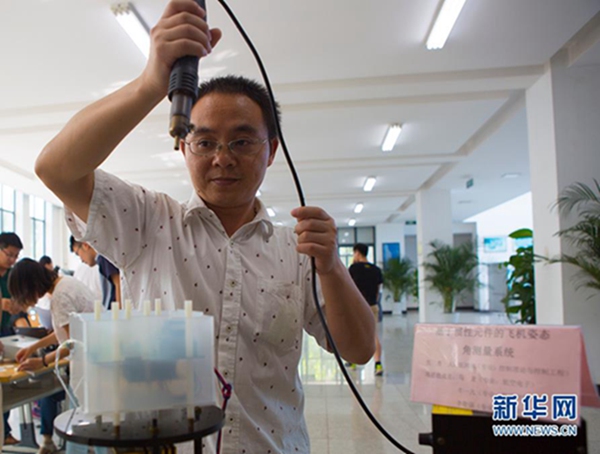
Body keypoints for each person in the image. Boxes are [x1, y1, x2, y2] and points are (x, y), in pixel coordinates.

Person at [34, 1, 375, 452]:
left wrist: (330, 268)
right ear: (183, 147)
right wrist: (151, 83)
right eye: (205, 142)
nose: (223, 158)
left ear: (271, 150)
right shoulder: (148, 222)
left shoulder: (297, 250)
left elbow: (359, 349)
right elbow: (55, 169)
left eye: (242, 141)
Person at [8, 258, 97, 454]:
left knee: (82, 425)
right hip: (94, 359)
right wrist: (34, 347)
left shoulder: (60, 297)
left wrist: (42, 361)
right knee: (89, 425)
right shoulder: (64, 284)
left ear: (30, 285)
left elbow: (73, 342)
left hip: (90, 363)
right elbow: (63, 332)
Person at [0, 232, 28, 446]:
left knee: (6, 384)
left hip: (6, 331)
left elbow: (20, 304)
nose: (12, 260)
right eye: (9, 254)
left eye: (16, 256)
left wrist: (17, 308)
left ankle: (5, 430)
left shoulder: (11, 276)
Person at [349, 243, 384, 376]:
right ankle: (378, 364)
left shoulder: (354, 269)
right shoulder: (376, 270)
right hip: (372, 305)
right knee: (373, 335)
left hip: (357, 306)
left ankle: (353, 361)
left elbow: (349, 288)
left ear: (357, 252)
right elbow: (377, 291)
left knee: (355, 333)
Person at [69, 236, 120, 308]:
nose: (81, 260)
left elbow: (118, 283)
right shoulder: (101, 259)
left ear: (85, 245)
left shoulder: (103, 258)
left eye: (78, 253)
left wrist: (119, 312)